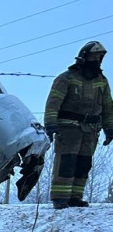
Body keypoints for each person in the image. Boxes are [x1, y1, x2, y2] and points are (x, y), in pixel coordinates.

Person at [44, 41, 113, 209]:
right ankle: (60, 198)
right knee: (66, 162)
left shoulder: (102, 81)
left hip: (90, 131)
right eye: (93, 56)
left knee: (84, 164)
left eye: (99, 57)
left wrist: (109, 128)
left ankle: (75, 197)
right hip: (68, 129)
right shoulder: (66, 78)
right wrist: (51, 124)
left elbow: (108, 107)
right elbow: (53, 103)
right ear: (83, 57)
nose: (96, 60)